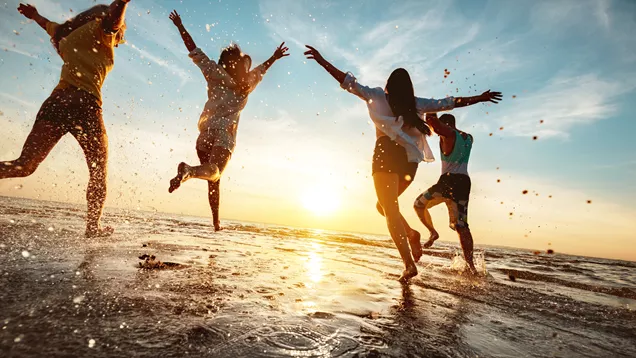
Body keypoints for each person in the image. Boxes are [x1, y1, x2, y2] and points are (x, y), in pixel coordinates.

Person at [304, 45, 501, 282]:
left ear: (388, 84)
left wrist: (321, 60)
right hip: (409, 163)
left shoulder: (377, 95)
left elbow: (347, 82)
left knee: (389, 210)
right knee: (385, 207)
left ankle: (409, 264)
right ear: (409, 88)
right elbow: (449, 102)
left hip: (386, 154)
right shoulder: (416, 103)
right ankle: (412, 234)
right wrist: (479, 98)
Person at [1, 1, 130, 238]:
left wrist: (34, 15)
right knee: (99, 171)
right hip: (86, 105)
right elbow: (113, 24)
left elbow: (46, 25)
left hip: (57, 103)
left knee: (25, 165)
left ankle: (94, 228)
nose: (122, 33)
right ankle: (93, 228)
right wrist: (122, 3)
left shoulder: (64, 34)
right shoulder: (100, 31)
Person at [167, 10, 289, 231]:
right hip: (225, 133)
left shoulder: (214, 72)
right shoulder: (247, 84)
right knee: (214, 172)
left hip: (204, 134)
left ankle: (215, 223)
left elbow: (194, 51)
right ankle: (188, 171)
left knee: (214, 178)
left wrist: (180, 26)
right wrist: (275, 56)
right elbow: (262, 69)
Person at [414, 113, 484, 274]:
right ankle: (471, 266)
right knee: (462, 225)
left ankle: (433, 232)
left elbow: (437, 127)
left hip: (448, 181)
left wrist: (431, 111)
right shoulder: (468, 138)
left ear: (445, 125)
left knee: (418, 205)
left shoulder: (448, 134)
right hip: (464, 182)